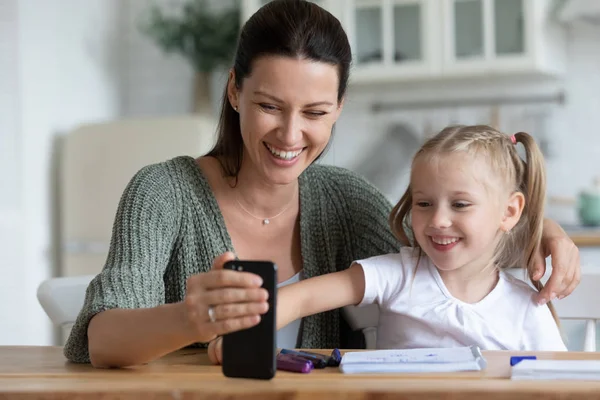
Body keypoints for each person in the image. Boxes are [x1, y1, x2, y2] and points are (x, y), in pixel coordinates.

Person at [64, 0, 577, 368]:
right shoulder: (163, 192)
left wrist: (540, 228)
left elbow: (447, 253)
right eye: (269, 106)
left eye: (315, 112)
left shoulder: (346, 202)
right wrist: (192, 319)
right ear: (235, 91)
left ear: (339, 111)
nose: (290, 135)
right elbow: (102, 339)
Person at [210, 125, 567, 360]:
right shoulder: (400, 273)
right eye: (424, 204)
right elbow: (302, 297)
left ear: (509, 211)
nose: (438, 220)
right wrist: (245, 336)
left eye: (460, 204)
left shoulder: (527, 309)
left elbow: (563, 387)